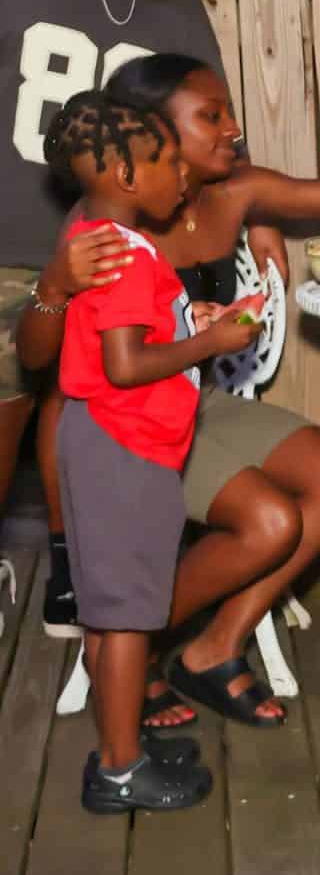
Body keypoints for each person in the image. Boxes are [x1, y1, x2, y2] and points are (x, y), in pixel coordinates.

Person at [18, 52, 320, 728]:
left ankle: (214, 649)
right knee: (271, 521)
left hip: (191, 404)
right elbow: (41, 369)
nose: (232, 128)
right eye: (210, 116)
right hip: (124, 433)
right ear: (147, 137)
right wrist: (53, 288)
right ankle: (125, 646)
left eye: (229, 112)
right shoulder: (102, 230)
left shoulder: (231, 192)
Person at [0, 0, 286, 638]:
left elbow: (215, 126)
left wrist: (259, 214)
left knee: (76, 404)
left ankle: (73, 568)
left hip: (114, 242)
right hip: (11, 239)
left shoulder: (175, 4)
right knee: (8, 409)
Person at [44, 90, 261, 811]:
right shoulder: (127, 258)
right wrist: (211, 342)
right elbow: (126, 366)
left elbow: (123, 340)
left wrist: (183, 321)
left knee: (113, 611)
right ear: (128, 178)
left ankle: (119, 740)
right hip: (123, 449)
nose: (183, 174)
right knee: (130, 615)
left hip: (108, 441)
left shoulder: (110, 245)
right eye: (169, 161)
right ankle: (120, 769)